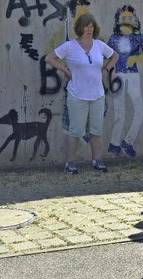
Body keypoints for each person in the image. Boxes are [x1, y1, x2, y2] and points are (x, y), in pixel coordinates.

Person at [45, 13, 119, 174]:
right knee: (75, 131)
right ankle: (70, 163)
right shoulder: (70, 46)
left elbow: (114, 56)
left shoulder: (99, 45)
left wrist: (106, 69)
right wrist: (65, 70)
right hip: (77, 95)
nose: (89, 29)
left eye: (91, 26)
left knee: (96, 130)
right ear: (80, 28)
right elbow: (49, 58)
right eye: (86, 26)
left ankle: (97, 160)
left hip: (97, 95)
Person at [106, 4, 143, 157]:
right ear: (118, 20)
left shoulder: (139, 38)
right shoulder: (113, 38)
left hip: (133, 74)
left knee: (140, 109)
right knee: (119, 111)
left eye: (129, 17)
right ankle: (114, 143)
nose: (126, 20)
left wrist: (136, 58)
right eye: (123, 17)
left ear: (135, 20)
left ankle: (128, 141)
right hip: (117, 74)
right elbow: (107, 56)